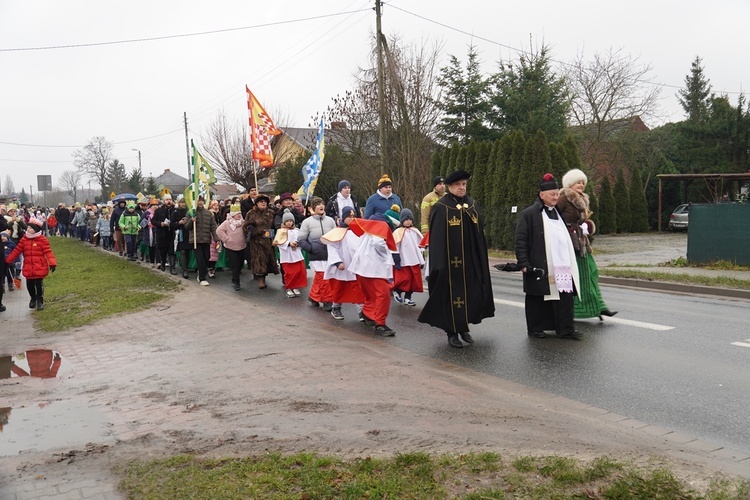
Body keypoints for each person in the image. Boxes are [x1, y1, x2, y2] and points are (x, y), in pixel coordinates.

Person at [418, 170, 495, 348]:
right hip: (449, 264)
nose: (462, 188)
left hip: (470, 263)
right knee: (450, 297)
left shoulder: (472, 205)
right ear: (450, 186)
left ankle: (464, 327)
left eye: (464, 185)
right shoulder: (441, 207)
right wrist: (438, 265)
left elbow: (479, 236)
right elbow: (436, 240)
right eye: (458, 185)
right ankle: (451, 332)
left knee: (469, 295)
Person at [515, 173, 582, 340]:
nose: (555, 197)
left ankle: (566, 328)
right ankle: (535, 328)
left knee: (564, 296)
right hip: (540, 262)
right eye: (551, 194)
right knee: (537, 297)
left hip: (562, 263)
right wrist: (523, 262)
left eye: (557, 193)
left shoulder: (558, 212)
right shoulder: (529, 214)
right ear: (541, 195)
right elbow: (521, 239)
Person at [557, 169, 617, 320]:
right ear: (570, 183)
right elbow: (554, 218)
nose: (581, 184)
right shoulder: (564, 197)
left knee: (591, 272)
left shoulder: (583, 199)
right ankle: (578, 309)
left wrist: (588, 226)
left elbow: (583, 221)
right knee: (579, 278)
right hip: (570, 244)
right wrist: (568, 228)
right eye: (578, 182)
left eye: (583, 182)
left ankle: (599, 306)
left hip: (582, 243)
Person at [347, 217, 398, 336]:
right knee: (383, 295)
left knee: (370, 295)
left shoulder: (368, 229)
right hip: (374, 267)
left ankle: (367, 313)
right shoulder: (381, 225)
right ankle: (380, 324)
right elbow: (378, 243)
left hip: (362, 267)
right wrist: (387, 253)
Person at [321, 206, 364, 321]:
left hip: (354, 266)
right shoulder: (336, 232)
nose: (352, 218)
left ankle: (361, 311)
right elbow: (332, 248)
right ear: (343, 218)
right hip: (341, 267)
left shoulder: (358, 231)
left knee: (357, 289)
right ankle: (336, 307)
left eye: (353, 216)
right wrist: (337, 262)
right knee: (339, 288)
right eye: (349, 216)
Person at [5, 217, 57, 311]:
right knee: (29, 284)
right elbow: (17, 251)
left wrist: (52, 263)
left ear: (36, 230)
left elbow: (48, 252)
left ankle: (40, 301)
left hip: (39, 265)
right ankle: (33, 298)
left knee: (38, 284)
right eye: (28, 227)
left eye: (31, 228)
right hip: (28, 265)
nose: (28, 229)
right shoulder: (24, 239)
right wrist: (7, 260)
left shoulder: (42, 240)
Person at [298, 197, 336, 309]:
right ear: (313, 208)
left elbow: (336, 235)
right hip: (316, 255)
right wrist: (311, 249)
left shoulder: (330, 221)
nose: (321, 206)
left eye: (322, 204)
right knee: (322, 277)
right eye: (318, 204)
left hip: (329, 253)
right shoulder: (307, 222)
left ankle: (314, 296)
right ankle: (327, 300)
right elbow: (301, 239)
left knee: (326, 276)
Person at [243, 194, 279, 289]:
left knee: (268, 260)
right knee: (259, 261)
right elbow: (245, 227)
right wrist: (255, 231)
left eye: (265, 201)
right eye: (261, 201)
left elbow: (274, 226)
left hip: (269, 240)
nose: (263, 203)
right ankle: (261, 280)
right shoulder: (251, 213)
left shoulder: (271, 213)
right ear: (256, 203)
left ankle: (265, 275)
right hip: (257, 242)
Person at [391, 209, 424, 306]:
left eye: (410, 219)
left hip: (415, 260)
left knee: (415, 281)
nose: (408, 221)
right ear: (402, 220)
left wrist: (422, 260)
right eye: (406, 219)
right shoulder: (398, 232)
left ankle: (408, 297)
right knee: (404, 279)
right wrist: (396, 259)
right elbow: (394, 246)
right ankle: (397, 291)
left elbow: (420, 245)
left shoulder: (415, 231)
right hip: (404, 260)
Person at [185, 196, 220, 286]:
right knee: (200, 258)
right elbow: (186, 227)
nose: (200, 203)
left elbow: (213, 226)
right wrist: (191, 221)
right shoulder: (191, 212)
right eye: (198, 201)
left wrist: (217, 238)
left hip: (206, 239)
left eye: (201, 201)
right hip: (196, 240)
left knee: (206, 257)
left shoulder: (208, 213)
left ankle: (201, 272)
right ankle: (202, 277)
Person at [273, 209, 307, 298]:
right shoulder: (281, 231)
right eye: (287, 221)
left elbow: (301, 239)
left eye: (291, 221)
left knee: (298, 271)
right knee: (289, 273)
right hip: (287, 255)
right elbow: (278, 242)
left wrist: (297, 243)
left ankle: (295, 286)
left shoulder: (297, 230)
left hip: (296, 254)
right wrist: (288, 244)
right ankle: (289, 287)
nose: (289, 223)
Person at [216, 204, 247, 291]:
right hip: (231, 247)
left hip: (242, 246)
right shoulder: (227, 223)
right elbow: (219, 231)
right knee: (235, 265)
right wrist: (226, 239)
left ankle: (236, 278)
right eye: (237, 214)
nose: (239, 215)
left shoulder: (243, 222)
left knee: (240, 264)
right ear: (233, 215)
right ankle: (236, 282)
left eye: (240, 213)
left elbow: (246, 230)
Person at [151, 194, 177, 273]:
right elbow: (153, 221)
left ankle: (172, 267)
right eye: (167, 200)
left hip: (172, 233)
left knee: (171, 251)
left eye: (170, 199)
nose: (169, 201)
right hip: (162, 233)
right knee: (163, 250)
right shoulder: (159, 210)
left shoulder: (174, 210)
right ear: (163, 201)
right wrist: (161, 223)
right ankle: (162, 262)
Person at [171, 196, 193, 279]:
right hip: (180, 233)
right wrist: (179, 223)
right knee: (183, 251)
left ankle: (186, 266)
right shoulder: (175, 212)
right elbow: (172, 224)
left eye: (184, 202)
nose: (183, 204)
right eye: (182, 202)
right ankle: (184, 270)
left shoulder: (189, 211)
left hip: (189, 233)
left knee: (188, 251)